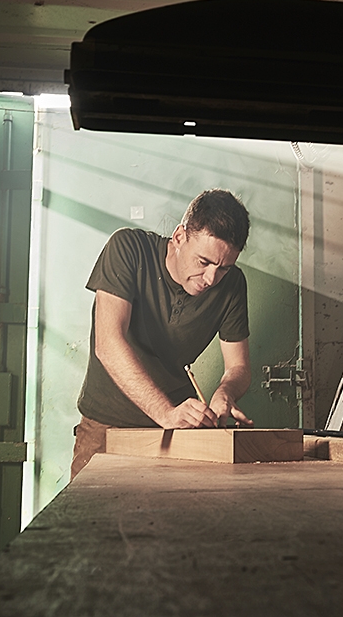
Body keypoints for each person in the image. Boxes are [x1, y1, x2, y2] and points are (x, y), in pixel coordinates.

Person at [71, 188, 254, 479]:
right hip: (106, 427)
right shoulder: (128, 247)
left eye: (224, 268)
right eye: (204, 262)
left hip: (178, 434)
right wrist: (166, 414)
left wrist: (224, 394)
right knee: (88, 522)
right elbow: (108, 343)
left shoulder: (232, 284)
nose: (211, 279)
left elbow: (238, 366)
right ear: (179, 237)